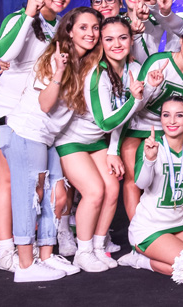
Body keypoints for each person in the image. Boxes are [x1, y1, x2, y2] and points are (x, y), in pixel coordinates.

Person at [1, 7, 102, 282]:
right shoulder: (54, 58)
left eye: (95, 28)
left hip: (49, 139)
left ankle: (45, 257)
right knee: (29, 197)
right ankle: (24, 265)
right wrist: (58, 72)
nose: (91, 33)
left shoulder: (85, 64)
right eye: (83, 27)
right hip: (27, 132)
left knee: (56, 198)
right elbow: (45, 105)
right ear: (69, 30)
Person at [55, 17, 158, 271]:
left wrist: (113, 151)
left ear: (131, 40)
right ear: (101, 42)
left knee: (112, 187)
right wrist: (136, 99)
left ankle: (99, 248)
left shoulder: (133, 69)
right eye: (109, 39)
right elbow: (106, 121)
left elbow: (126, 116)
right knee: (94, 191)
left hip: (98, 142)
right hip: (73, 140)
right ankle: (83, 251)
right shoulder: (96, 73)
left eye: (122, 37)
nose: (116, 44)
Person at [0, 0, 71, 272]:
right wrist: (28, 13)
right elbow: (5, 52)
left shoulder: (59, 27)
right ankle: (5, 250)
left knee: (37, 184)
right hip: (8, 112)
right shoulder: (18, 18)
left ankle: (33, 248)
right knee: (9, 180)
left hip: (37, 114)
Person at [122, 24, 183, 219]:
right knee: (133, 179)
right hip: (138, 124)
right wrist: (150, 86)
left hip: (168, 131)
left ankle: (163, 223)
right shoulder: (158, 61)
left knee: (162, 179)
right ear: (182, 39)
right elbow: (136, 103)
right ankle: (137, 236)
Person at [120, 96, 183, 275]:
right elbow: (141, 183)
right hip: (149, 228)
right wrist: (149, 159)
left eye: (179, 115)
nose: (172, 121)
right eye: (166, 115)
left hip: (179, 224)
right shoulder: (151, 146)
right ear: (160, 118)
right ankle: (139, 259)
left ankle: (150, 257)